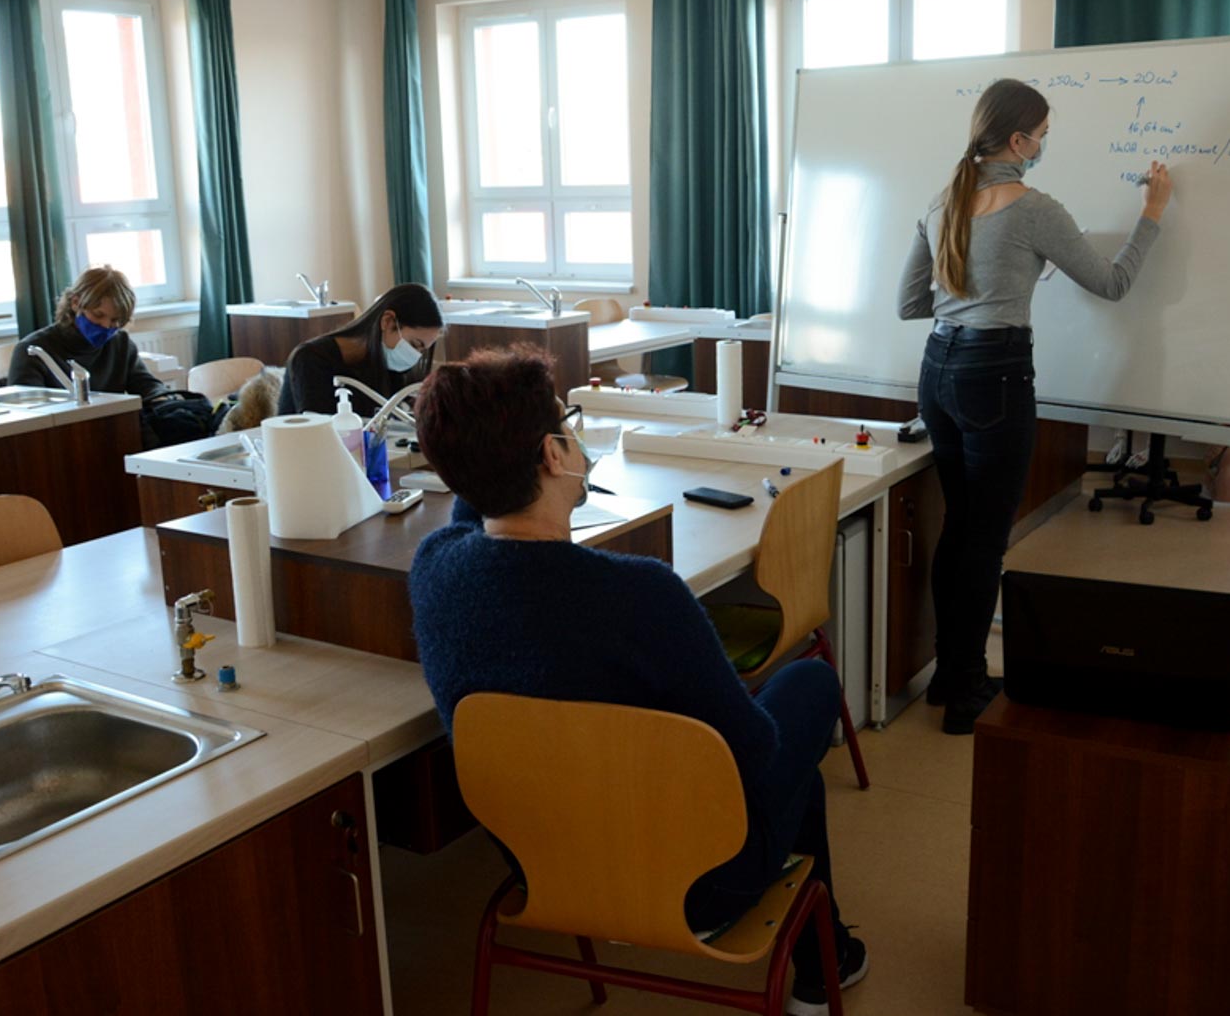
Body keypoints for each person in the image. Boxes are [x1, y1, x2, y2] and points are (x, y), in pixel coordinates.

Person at [410, 347, 869, 1016]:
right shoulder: (642, 595)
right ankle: (821, 969)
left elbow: (475, 514)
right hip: (702, 883)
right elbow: (753, 749)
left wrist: (477, 452)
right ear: (552, 454)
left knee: (798, 780)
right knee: (807, 687)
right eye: (567, 426)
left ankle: (826, 960)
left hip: (541, 866)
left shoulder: (435, 571)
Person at [896, 78, 1173, 735]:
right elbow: (1112, 283)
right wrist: (1153, 213)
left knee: (960, 528)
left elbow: (910, 304)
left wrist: (981, 286)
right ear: (1018, 141)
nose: (1045, 145)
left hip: (936, 371)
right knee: (984, 540)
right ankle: (965, 692)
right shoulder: (1033, 210)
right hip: (993, 376)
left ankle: (949, 676)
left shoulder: (942, 201)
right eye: (1043, 135)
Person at [276, 282, 443, 418]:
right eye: (414, 344)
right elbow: (319, 433)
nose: (415, 356)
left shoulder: (389, 366)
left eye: (422, 350)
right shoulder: (310, 359)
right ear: (387, 321)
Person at [6, 266, 167, 400]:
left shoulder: (120, 344)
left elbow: (146, 385)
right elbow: (28, 413)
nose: (106, 326)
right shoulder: (33, 351)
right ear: (76, 303)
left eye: (115, 320)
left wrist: (163, 400)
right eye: (98, 315)